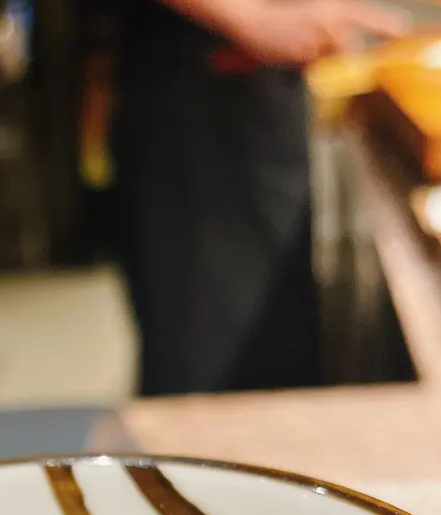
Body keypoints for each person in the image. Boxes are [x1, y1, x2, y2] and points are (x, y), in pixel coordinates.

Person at [114, 0, 407, 396]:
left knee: (274, 346)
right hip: (202, 88)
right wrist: (252, 17)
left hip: (259, 86)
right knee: (218, 364)